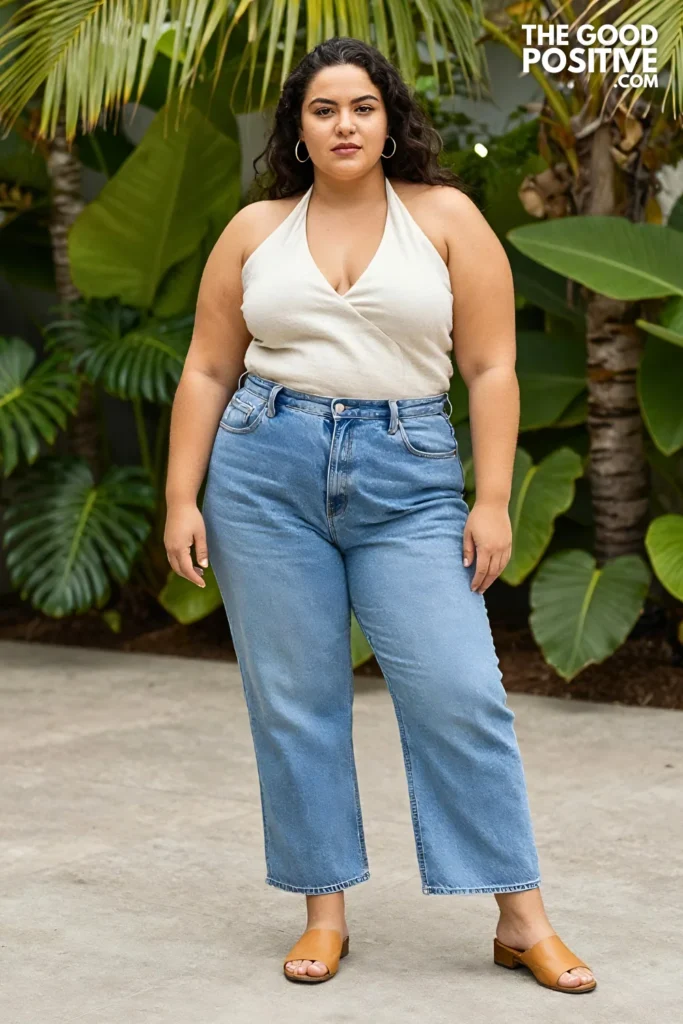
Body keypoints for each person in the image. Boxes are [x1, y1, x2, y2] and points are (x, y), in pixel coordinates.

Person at [164, 37, 596, 994]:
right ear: (299, 129)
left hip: (409, 477)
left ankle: (520, 918)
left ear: (389, 119)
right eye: (324, 110)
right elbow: (206, 368)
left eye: (361, 106)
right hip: (262, 472)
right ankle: (324, 911)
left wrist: (491, 500)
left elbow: (490, 368)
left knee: (457, 688)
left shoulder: (444, 218)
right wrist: (180, 497)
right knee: (295, 699)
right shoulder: (254, 230)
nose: (344, 124)